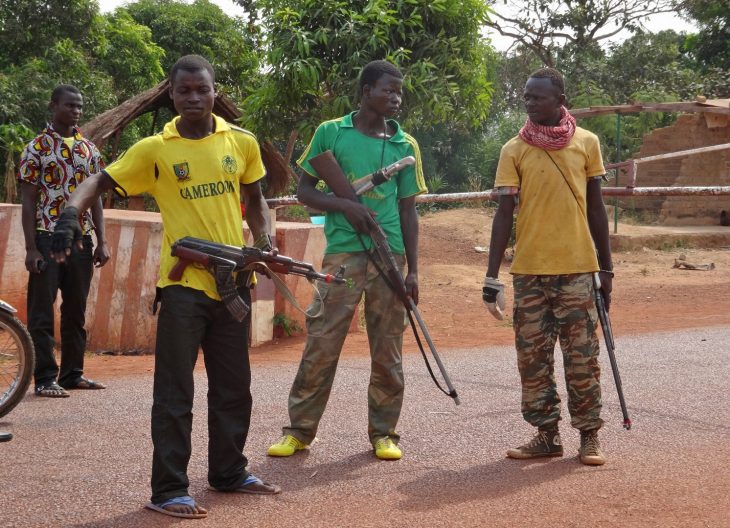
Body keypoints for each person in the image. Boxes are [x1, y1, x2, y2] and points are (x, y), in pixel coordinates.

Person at [50, 55, 280, 519]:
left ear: (216, 91)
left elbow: (255, 200)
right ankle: (169, 489)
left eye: (202, 90)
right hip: (182, 289)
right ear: (171, 96)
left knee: (235, 387)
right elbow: (98, 180)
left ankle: (229, 472)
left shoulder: (243, 142)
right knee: (174, 393)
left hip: (234, 282)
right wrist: (71, 213)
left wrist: (265, 242)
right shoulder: (155, 148)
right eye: (184, 91)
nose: (194, 98)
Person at [267, 59, 427, 461]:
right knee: (322, 343)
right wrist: (344, 205)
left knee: (387, 348)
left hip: (390, 255)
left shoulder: (405, 144)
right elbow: (305, 191)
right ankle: (299, 431)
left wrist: (414, 270)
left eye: (399, 92)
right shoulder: (330, 132)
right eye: (388, 90)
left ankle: (384, 434)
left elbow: (409, 210)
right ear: (367, 90)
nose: (396, 98)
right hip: (343, 253)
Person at [482, 67, 613, 466]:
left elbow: (596, 208)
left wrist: (606, 271)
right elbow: (504, 214)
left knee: (582, 356)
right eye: (526, 96)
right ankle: (546, 435)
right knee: (533, 360)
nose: (529, 102)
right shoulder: (514, 149)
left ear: (559, 100)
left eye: (537, 96)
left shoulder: (587, 144)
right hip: (529, 273)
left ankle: (589, 436)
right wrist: (491, 276)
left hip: (577, 270)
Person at [18, 84, 109, 398]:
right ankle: (44, 377)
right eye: (70, 105)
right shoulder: (36, 149)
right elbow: (28, 202)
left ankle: (73, 374)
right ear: (53, 105)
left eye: (80, 107)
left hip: (81, 241)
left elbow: (96, 198)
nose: (76, 111)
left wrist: (103, 240)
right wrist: (30, 247)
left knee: (76, 310)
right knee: (42, 311)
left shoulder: (89, 150)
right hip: (46, 238)